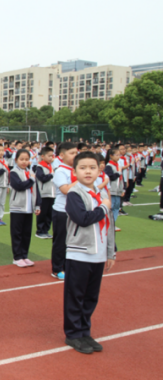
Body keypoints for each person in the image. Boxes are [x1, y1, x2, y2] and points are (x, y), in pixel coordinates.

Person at [63, 151, 115, 354]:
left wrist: (110, 252)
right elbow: (82, 219)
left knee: (91, 297)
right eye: (83, 167)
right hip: (79, 253)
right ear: (75, 171)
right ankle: (73, 334)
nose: (88, 171)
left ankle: (84, 331)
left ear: (99, 171)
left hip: (98, 254)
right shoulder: (74, 194)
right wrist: (103, 208)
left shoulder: (101, 195)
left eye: (92, 168)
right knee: (75, 295)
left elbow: (109, 225)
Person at [9, 149, 41, 267]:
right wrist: (31, 180)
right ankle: (17, 257)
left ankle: (24, 255)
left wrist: (37, 205)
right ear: (16, 160)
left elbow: (36, 190)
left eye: (26, 159)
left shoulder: (30, 172)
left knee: (26, 233)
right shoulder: (14, 172)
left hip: (29, 208)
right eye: (21, 159)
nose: (24, 162)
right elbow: (19, 186)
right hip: (17, 208)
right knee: (17, 233)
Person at [51, 142, 78, 281]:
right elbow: (65, 190)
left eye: (76, 153)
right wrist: (81, 180)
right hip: (62, 211)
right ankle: (57, 269)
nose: (75, 156)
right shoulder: (60, 171)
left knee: (73, 241)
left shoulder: (76, 170)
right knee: (61, 242)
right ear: (61, 155)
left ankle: (69, 266)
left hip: (76, 211)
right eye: (72, 153)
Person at [35, 146, 55, 239]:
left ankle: (46, 230)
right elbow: (42, 178)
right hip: (43, 194)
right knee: (42, 213)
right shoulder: (39, 167)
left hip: (52, 194)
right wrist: (51, 175)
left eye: (52, 156)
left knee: (49, 214)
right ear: (42, 156)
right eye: (49, 156)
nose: (51, 158)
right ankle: (39, 231)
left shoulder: (51, 166)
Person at [104, 147, 123, 226]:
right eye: (116, 155)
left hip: (118, 191)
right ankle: (108, 224)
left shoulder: (118, 165)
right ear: (111, 155)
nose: (118, 157)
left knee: (116, 207)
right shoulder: (109, 166)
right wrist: (118, 173)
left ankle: (113, 224)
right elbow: (111, 177)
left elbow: (121, 179)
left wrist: (122, 189)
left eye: (119, 155)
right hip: (112, 190)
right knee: (111, 207)